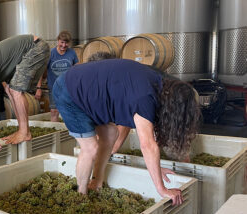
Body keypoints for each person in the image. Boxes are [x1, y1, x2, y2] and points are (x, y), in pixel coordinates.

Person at [53, 59, 201, 205]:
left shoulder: (159, 84)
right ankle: (80, 196)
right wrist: (162, 189)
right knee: (90, 148)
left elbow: (151, 139)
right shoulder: (145, 98)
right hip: (69, 91)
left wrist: (155, 169)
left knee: (111, 133)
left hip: (88, 90)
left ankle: (96, 182)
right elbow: (148, 145)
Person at [35, 31, 79, 122]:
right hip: (54, 87)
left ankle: (70, 133)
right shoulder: (51, 53)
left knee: (70, 110)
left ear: (69, 43)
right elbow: (41, 71)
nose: (64, 45)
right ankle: (56, 133)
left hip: (69, 87)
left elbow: (77, 69)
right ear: (58, 41)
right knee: (54, 111)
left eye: (66, 43)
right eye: (62, 42)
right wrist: (38, 88)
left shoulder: (72, 53)